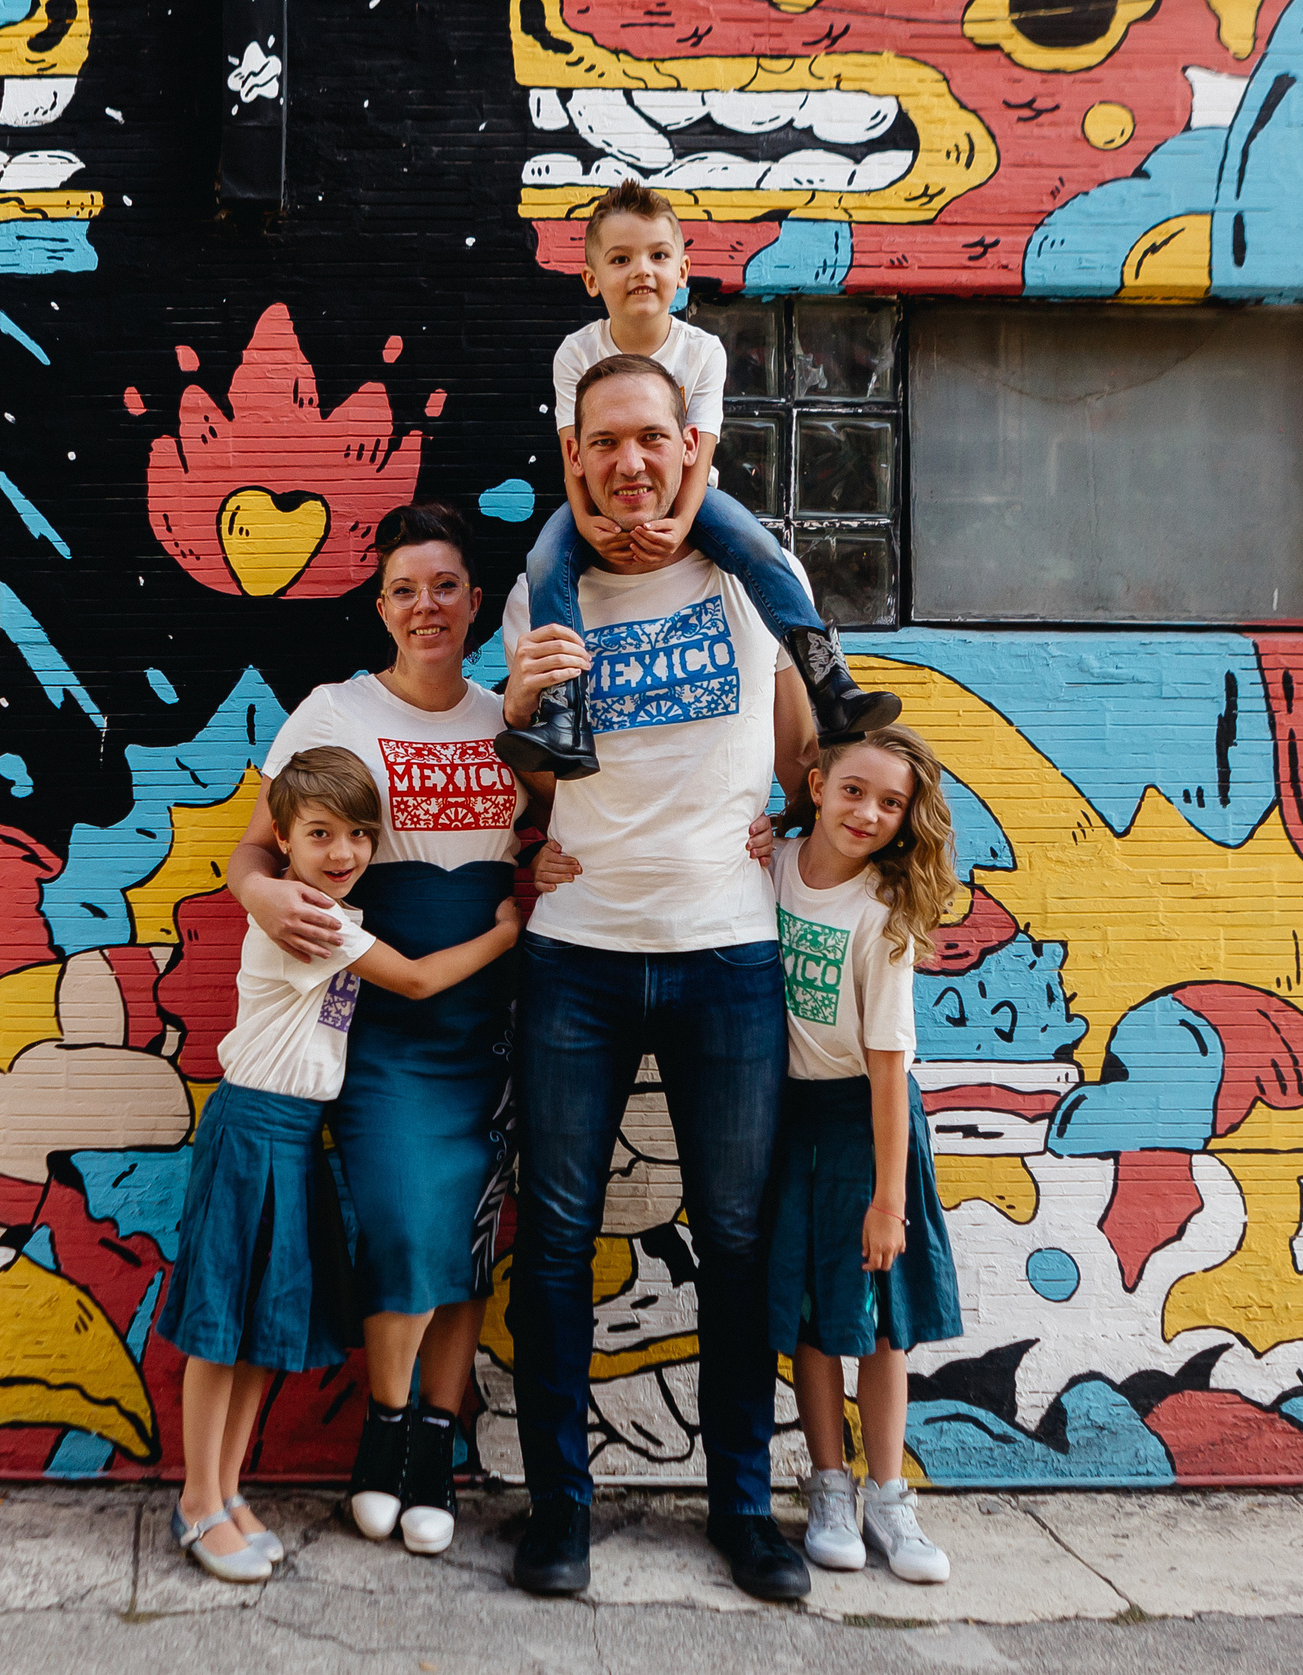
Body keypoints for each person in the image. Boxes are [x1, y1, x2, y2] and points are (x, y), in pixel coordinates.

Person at [498, 352, 820, 1603]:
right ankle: (559, 1516)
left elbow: (808, 745)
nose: (630, 463)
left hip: (728, 955)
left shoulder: (750, 577)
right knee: (559, 1245)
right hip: (577, 959)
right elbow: (530, 785)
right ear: (573, 459)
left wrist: (789, 830)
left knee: (737, 1241)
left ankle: (744, 1510)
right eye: (604, 444)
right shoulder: (550, 596)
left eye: (651, 438)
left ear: (690, 448)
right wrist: (521, 723)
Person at [225, 505, 526, 1557]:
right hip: (385, 1028)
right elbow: (250, 853)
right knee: (400, 1225)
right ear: (381, 605)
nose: (425, 606)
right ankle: (386, 1433)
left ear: (475, 602)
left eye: (444, 586)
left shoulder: (509, 718)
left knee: (464, 1245)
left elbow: (587, 822)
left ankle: (432, 1448)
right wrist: (259, 896)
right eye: (404, 589)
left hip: (491, 1032)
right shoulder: (334, 712)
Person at [160, 747, 521, 1583]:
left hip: (292, 1138)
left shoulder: (328, 905)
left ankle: (227, 1490)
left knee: (261, 1333)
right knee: (223, 1332)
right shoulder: (316, 920)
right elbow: (423, 980)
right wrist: (504, 930)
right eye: (320, 834)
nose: (345, 852)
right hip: (255, 1128)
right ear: (281, 839)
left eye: (361, 834)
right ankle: (196, 1500)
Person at [492, 179, 898, 781]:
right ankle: (564, 714)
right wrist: (583, 523)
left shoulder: (703, 349)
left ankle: (828, 681)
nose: (641, 271)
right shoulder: (574, 353)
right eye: (621, 258)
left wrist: (680, 523)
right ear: (590, 278)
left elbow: (699, 450)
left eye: (658, 255)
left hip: (690, 492)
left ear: (683, 268)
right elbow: (572, 449)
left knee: (761, 550)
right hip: (598, 496)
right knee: (547, 563)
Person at [757, 726, 964, 1584]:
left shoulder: (883, 914)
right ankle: (829, 1483)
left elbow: (888, 1071)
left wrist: (889, 1199)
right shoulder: (770, 863)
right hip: (786, 1115)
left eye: (890, 802)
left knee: (878, 1320)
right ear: (815, 782)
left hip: (865, 1121)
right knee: (812, 1311)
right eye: (853, 790)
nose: (868, 812)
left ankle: (888, 1492)